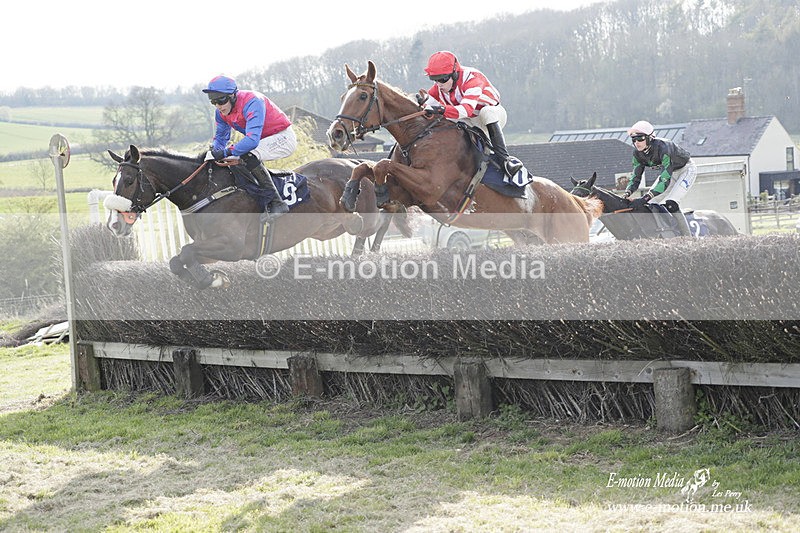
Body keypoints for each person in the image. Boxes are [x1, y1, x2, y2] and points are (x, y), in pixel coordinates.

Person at [203, 75, 297, 220]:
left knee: (246, 155)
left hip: (283, 138)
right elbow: (221, 138)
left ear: (232, 95)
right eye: (213, 102)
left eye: (221, 100)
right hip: (263, 141)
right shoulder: (220, 113)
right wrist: (215, 151)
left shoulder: (253, 101)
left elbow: (252, 140)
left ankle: (277, 202)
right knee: (232, 160)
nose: (218, 106)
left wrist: (225, 152)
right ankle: (253, 198)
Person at [419, 51, 523, 179]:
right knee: (445, 121)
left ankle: (505, 160)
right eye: (434, 80)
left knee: (486, 112)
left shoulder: (472, 79)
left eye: (442, 79)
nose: (439, 85)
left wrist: (439, 109)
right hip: (468, 120)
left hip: (490, 116)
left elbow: (466, 110)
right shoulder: (439, 87)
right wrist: (420, 103)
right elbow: (426, 107)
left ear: (455, 73)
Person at [623, 120, 696, 236]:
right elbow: (636, 177)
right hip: (670, 173)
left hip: (686, 170)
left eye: (640, 138)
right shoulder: (637, 154)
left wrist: (645, 197)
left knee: (671, 203)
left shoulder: (664, 147)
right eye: (634, 139)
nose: (637, 142)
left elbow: (664, 179)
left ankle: (688, 238)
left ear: (650, 138)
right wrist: (626, 193)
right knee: (650, 204)